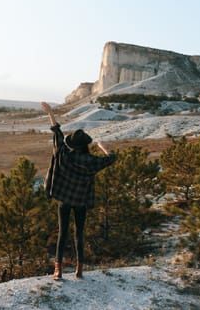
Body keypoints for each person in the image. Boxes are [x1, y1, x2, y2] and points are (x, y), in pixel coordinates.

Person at [41, 102, 116, 280]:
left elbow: (57, 132)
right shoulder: (91, 161)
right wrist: (102, 146)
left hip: (64, 200)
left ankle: (58, 271)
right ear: (86, 145)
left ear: (72, 144)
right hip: (81, 202)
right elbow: (111, 158)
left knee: (62, 234)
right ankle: (79, 269)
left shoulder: (64, 155)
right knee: (79, 235)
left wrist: (50, 112)